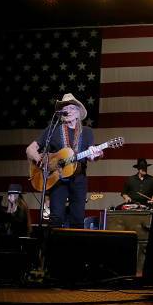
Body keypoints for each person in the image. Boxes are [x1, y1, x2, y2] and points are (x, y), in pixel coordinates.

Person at [25, 93, 104, 228]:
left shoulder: (87, 132)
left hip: (79, 179)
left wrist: (96, 154)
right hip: (57, 178)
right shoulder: (53, 129)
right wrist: (40, 159)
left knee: (77, 219)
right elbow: (30, 149)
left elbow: (91, 156)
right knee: (55, 218)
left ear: (79, 113)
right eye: (65, 107)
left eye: (72, 107)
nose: (68, 110)